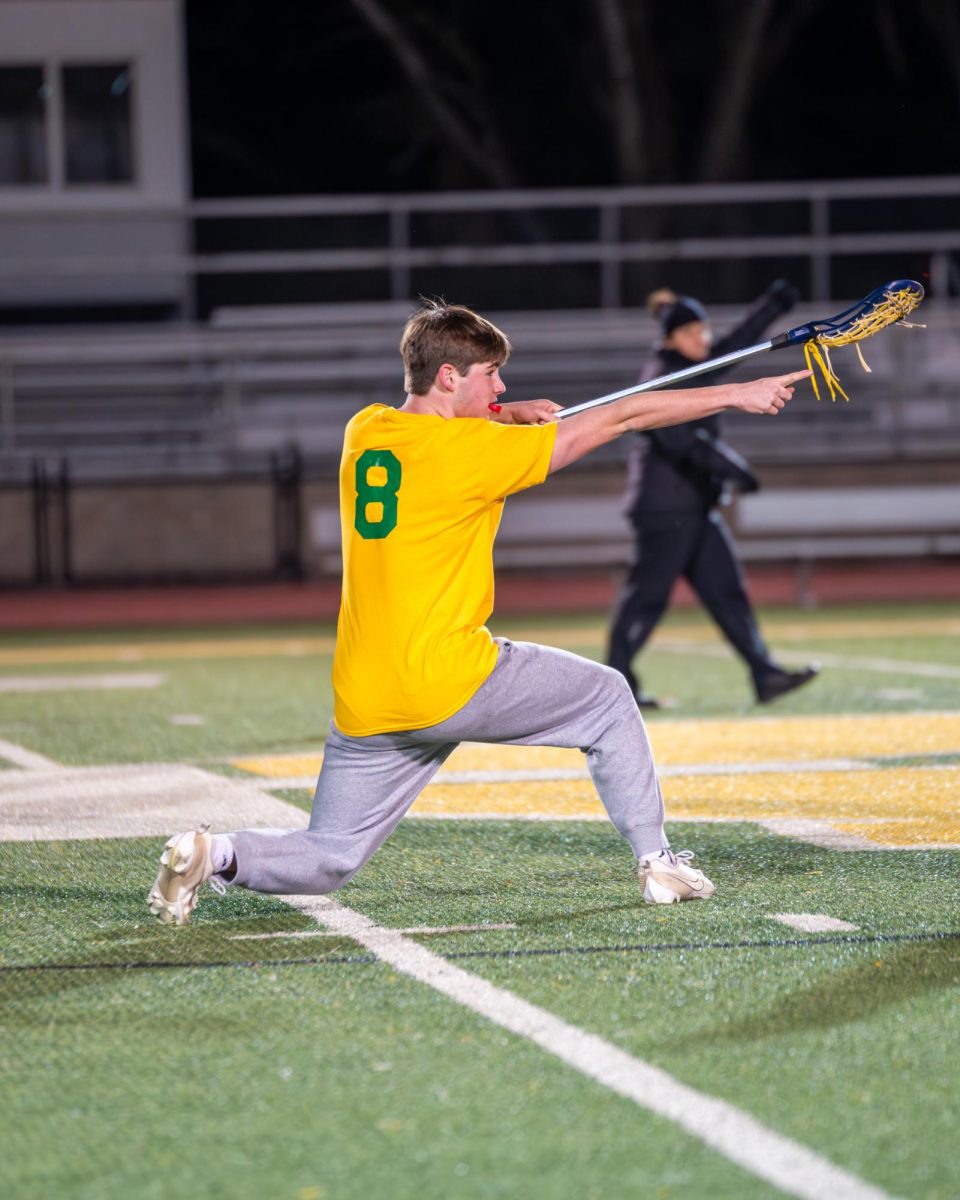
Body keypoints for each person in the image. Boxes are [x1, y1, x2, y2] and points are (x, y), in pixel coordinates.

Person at [148, 300, 809, 925]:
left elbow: (445, 427)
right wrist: (735, 394)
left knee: (329, 856)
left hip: (367, 692)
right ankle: (659, 862)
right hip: (448, 676)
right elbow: (622, 418)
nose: (500, 386)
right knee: (609, 696)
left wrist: (500, 411)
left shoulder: (367, 428)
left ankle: (213, 854)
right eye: (491, 375)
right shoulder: (473, 457)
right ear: (448, 375)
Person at [606, 282, 820, 709]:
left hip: (693, 508)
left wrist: (773, 305)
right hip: (665, 509)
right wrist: (736, 470)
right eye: (690, 334)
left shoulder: (692, 363)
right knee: (645, 600)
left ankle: (765, 674)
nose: (700, 339)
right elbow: (680, 441)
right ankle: (616, 688)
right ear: (669, 339)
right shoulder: (663, 372)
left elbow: (738, 346)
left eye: (701, 331)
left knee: (726, 591)